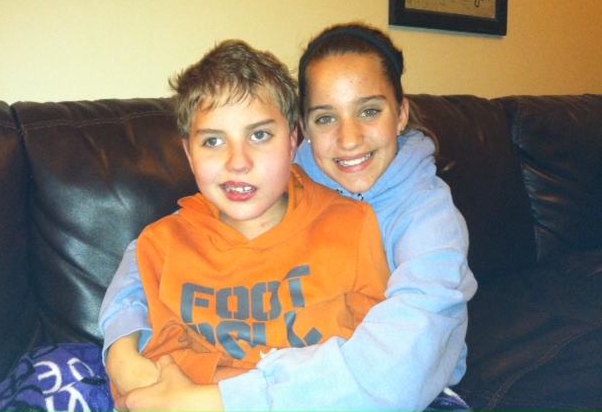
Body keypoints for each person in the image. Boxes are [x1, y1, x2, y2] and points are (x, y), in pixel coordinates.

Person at [101, 23, 478, 412]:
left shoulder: (424, 218)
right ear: (304, 132)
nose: (349, 140)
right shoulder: (276, 176)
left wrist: (212, 398)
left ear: (400, 114)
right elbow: (156, 250)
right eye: (325, 118)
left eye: (369, 111)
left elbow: (401, 364)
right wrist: (121, 351)